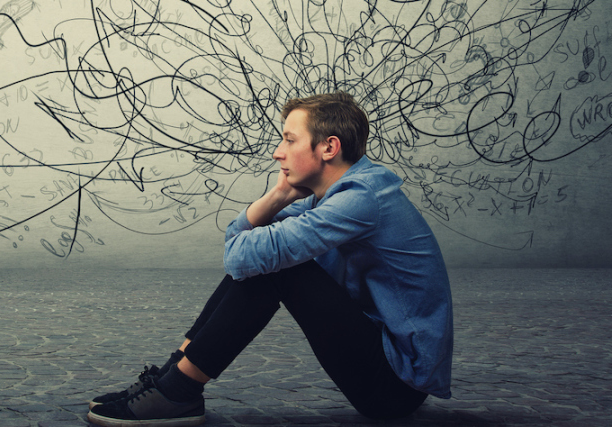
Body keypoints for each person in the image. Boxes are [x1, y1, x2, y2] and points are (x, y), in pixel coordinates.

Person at [87, 92, 453, 426]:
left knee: (278, 269)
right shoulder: (337, 195)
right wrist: (278, 195)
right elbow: (239, 242)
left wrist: (273, 208)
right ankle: (170, 382)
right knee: (268, 260)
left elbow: (240, 255)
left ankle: (177, 391)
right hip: (382, 361)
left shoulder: (361, 199)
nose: (278, 152)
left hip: (395, 384)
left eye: (289, 140)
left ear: (329, 147)